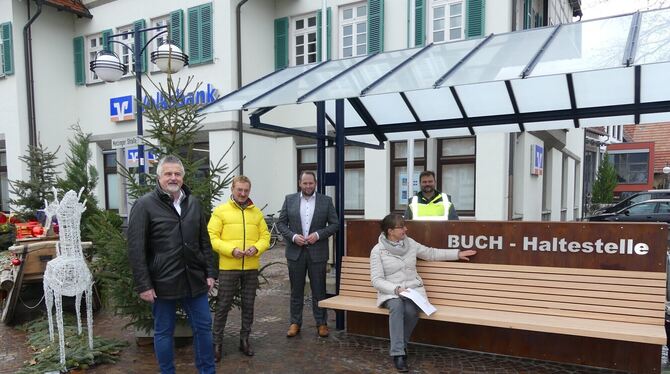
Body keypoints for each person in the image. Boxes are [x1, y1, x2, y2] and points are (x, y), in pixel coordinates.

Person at [127, 155, 217, 374]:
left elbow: (204, 241)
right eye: (168, 173)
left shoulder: (193, 203)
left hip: (194, 279)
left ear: (183, 176)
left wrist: (210, 273)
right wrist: (143, 285)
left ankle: (208, 371)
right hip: (162, 283)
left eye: (177, 173)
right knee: (164, 332)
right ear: (159, 177)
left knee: (204, 328)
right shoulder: (144, 205)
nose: (173, 177)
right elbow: (136, 249)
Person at [370, 213, 476, 372]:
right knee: (397, 307)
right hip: (391, 291)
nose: (406, 229)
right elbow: (376, 280)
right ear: (390, 231)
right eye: (401, 227)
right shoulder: (378, 251)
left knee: (412, 312)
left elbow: (431, 253)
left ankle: (401, 345)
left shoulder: (410, 243)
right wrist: (396, 289)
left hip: (412, 290)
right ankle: (398, 354)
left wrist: (457, 254)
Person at [208, 175, 270, 361]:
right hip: (228, 268)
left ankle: (245, 340)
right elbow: (212, 236)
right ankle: (216, 344)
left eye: (246, 190)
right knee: (223, 306)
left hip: (251, 268)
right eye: (239, 190)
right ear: (232, 189)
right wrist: (231, 250)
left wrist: (256, 248)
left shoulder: (256, 213)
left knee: (248, 306)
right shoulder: (220, 211)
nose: (243, 193)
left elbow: (265, 237)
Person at [276, 171, 339, 338]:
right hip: (295, 252)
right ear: (299, 183)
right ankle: (295, 322)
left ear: (315, 183)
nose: (308, 186)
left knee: (319, 289)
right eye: (305, 183)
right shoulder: (290, 200)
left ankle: (321, 323)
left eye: (311, 183)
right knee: (296, 290)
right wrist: (293, 237)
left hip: (317, 252)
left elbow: (335, 224)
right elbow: (281, 223)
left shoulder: (326, 201)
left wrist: (317, 235)